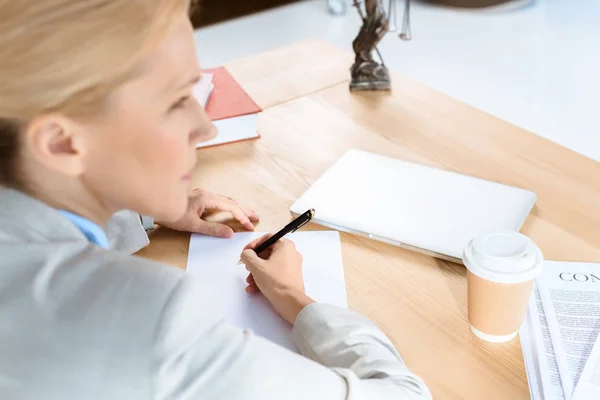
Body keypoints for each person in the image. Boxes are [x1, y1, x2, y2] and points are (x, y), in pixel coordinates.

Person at [0, 1, 432, 399]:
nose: (205, 126)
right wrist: (295, 298)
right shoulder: (151, 322)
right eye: (176, 101)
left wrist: (140, 207)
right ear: (60, 143)